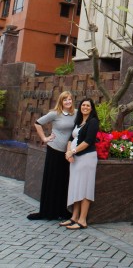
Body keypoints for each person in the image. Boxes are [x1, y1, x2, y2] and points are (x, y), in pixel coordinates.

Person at [27, 91, 76, 220]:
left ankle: (62, 210)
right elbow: (37, 123)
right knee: (52, 180)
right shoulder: (55, 114)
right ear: (61, 102)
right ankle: (47, 211)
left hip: (67, 153)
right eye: (65, 100)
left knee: (63, 181)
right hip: (54, 150)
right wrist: (44, 138)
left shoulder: (75, 113)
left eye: (69, 99)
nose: (67, 102)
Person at [61, 97, 99, 230]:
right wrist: (68, 152)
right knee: (77, 187)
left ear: (92, 108)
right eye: (83, 105)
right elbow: (71, 138)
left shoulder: (93, 122)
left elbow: (88, 141)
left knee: (85, 188)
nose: (85, 107)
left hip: (87, 158)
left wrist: (73, 151)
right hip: (75, 159)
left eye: (88, 106)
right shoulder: (78, 121)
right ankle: (74, 217)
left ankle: (82, 220)